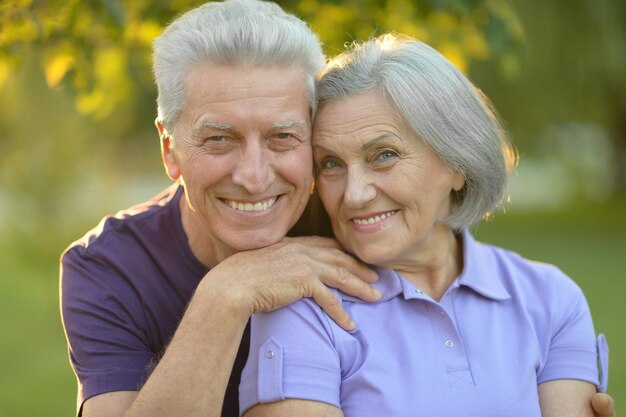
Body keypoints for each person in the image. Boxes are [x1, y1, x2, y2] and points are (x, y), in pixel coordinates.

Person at [239, 34, 612, 417]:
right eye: (331, 163)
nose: (354, 194)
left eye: (383, 155)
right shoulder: (303, 309)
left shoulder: (552, 300)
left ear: (457, 163)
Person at [59, 1, 381, 417]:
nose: (254, 176)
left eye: (282, 135)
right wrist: (225, 293)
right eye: (219, 139)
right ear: (170, 148)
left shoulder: (355, 223)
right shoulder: (107, 266)